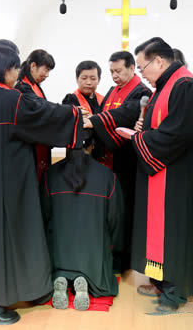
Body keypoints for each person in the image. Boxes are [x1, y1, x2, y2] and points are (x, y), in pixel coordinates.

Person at [0, 42, 83, 326]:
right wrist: (75, 115)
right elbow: (45, 117)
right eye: (16, 69)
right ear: (4, 69)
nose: (17, 75)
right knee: (13, 238)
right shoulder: (10, 101)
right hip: (8, 186)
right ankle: (2, 302)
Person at [84, 38, 193, 314]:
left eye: (142, 68)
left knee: (174, 233)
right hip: (161, 173)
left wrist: (140, 138)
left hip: (178, 179)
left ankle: (175, 291)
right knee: (157, 231)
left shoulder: (186, 86)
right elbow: (161, 126)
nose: (143, 74)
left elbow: (177, 133)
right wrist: (142, 131)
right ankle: (160, 280)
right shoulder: (166, 86)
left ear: (159, 61)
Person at [40, 131, 124, 311]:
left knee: (54, 242)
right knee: (100, 265)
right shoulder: (108, 176)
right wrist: (115, 247)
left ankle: (60, 277)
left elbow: (43, 216)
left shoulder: (50, 175)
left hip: (58, 252)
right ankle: (85, 279)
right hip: (93, 254)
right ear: (92, 145)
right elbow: (115, 219)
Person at [85, 51, 152, 272]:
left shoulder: (141, 91)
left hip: (127, 162)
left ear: (132, 68)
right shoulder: (114, 90)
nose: (114, 76)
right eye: (111, 71)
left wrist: (92, 121)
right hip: (108, 160)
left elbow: (124, 114)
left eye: (118, 71)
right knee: (110, 210)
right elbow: (106, 113)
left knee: (124, 210)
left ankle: (123, 260)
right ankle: (108, 252)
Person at [15, 49, 56, 181]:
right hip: (29, 149)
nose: (47, 75)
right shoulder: (22, 87)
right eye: (46, 69)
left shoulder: (35, 86)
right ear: (33, 66)